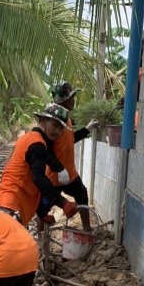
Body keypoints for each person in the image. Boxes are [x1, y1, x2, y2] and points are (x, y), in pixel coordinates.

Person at [0, 102, 79, 228]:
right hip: (11, 206)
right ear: (43, 120)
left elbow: (32, 181)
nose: (58, 132)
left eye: (61, 128)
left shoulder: (27, 139)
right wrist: (63, 203)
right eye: (55, 125)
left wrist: (41, 213)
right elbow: (38, 179)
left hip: (4, 202)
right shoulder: (38, 144)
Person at [46, 81, 99, 233]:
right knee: (43, 207)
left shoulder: (67, 119)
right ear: (63, 101)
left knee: (82, 195)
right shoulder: (54, 122)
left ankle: (87, 229)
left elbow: (70, 139)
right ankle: (42, 238)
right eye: (72, 97)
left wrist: (86, 130)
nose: (74, 100)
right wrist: (59, 169)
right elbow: (47, 150)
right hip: (54, 176)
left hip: (70, 174)